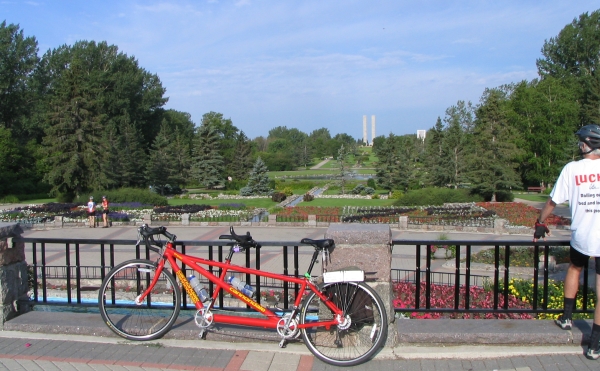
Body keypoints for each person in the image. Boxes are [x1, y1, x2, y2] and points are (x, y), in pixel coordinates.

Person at [536, 124, 600, 360]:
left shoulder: (572, 169)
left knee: (575, 269)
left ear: (586, 145)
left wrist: (540, 221)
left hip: (582, 234)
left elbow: (553, 202)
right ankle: (594, 344)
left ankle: (566, 317)